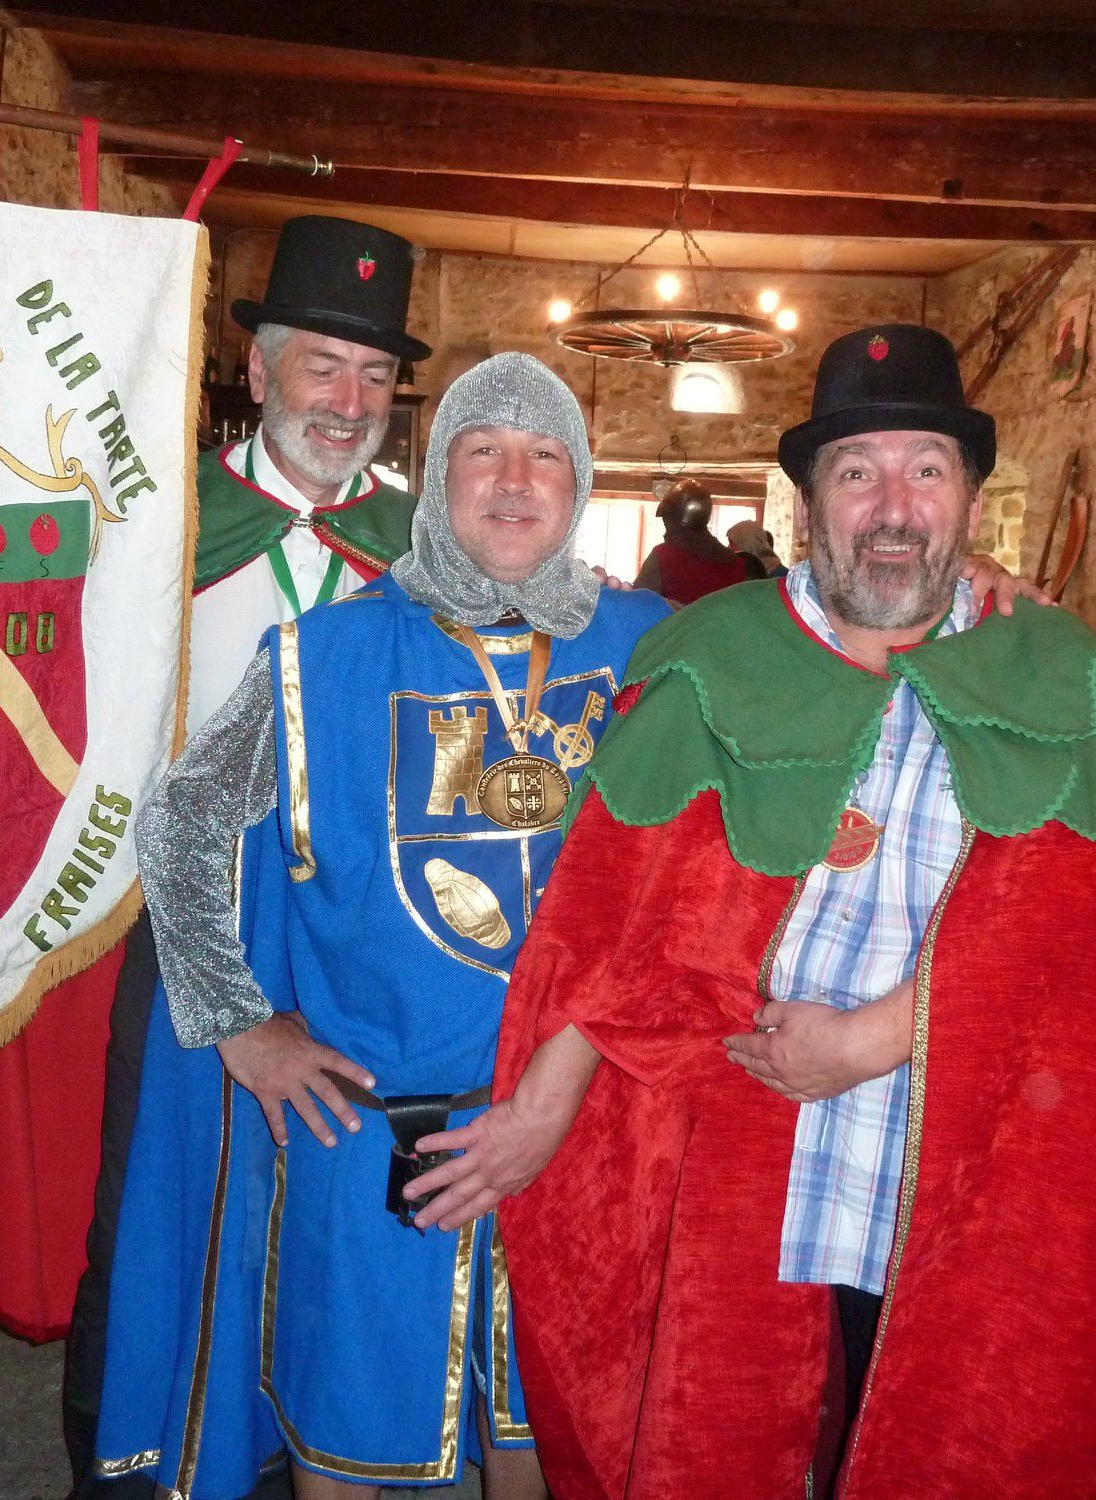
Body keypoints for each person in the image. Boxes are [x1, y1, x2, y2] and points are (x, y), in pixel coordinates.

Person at [408, 325, 1096, 1499]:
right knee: (726, 1429)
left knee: (949, 1429)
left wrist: (866, 1039)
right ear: (807, 504)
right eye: (856, 473)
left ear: (966, 497)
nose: (892, 507)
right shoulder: (711, 654)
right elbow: (616, 928)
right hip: (741, 1146)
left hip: (962, 1150)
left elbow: (1059, 945)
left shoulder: (1054, 669)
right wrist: (540, 1111)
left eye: (925, 470)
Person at [93, 354, 671, 1498]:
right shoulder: (328, 653)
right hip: (368, 1135)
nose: (515, 480)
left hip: (582, 1121)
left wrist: (973, 593)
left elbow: (830, 644)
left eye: (544, 453)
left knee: (545, 1439)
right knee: (347, 1445)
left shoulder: (653, 650)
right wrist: (241, 1025)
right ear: (437, 478)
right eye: (482, 450)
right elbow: (179, 826)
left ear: (580, 480)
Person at [62, 214, 428, 1497]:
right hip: (191, 933)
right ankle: (139, 1463)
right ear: (258, 369)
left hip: (367, 948)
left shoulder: (422, 542)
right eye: (322, 365)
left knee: (332, 1220)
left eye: (375, 376)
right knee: (167, 1224)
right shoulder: (158, 525)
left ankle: (302, 1454)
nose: (348, 400)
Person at [631, 476, 748, 603]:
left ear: (674, 519)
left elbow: (638, 607)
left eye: (667, 520)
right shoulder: (736, 563)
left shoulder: (663, 556)